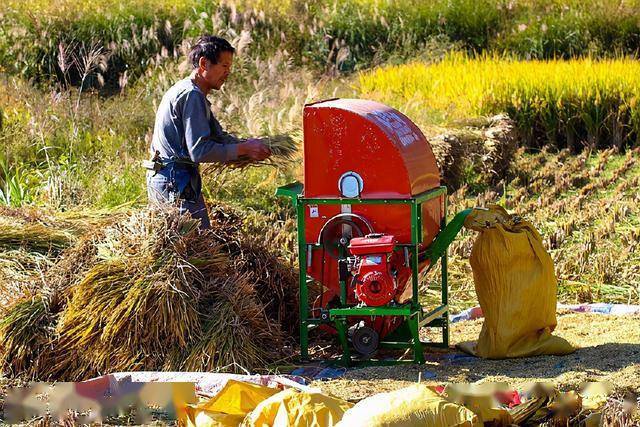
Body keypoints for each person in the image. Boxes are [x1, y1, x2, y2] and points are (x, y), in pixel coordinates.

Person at [145, 35, 271, 228]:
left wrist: (248, 144)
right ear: (204, 63)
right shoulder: (191, 95)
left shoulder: (188, 91)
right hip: (174, 184)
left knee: (189, 249)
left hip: (173, 180)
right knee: (192, 251)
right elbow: (200, 151)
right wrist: (243, 150)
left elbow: (217, 136)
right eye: (224, 66)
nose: (228, 72)